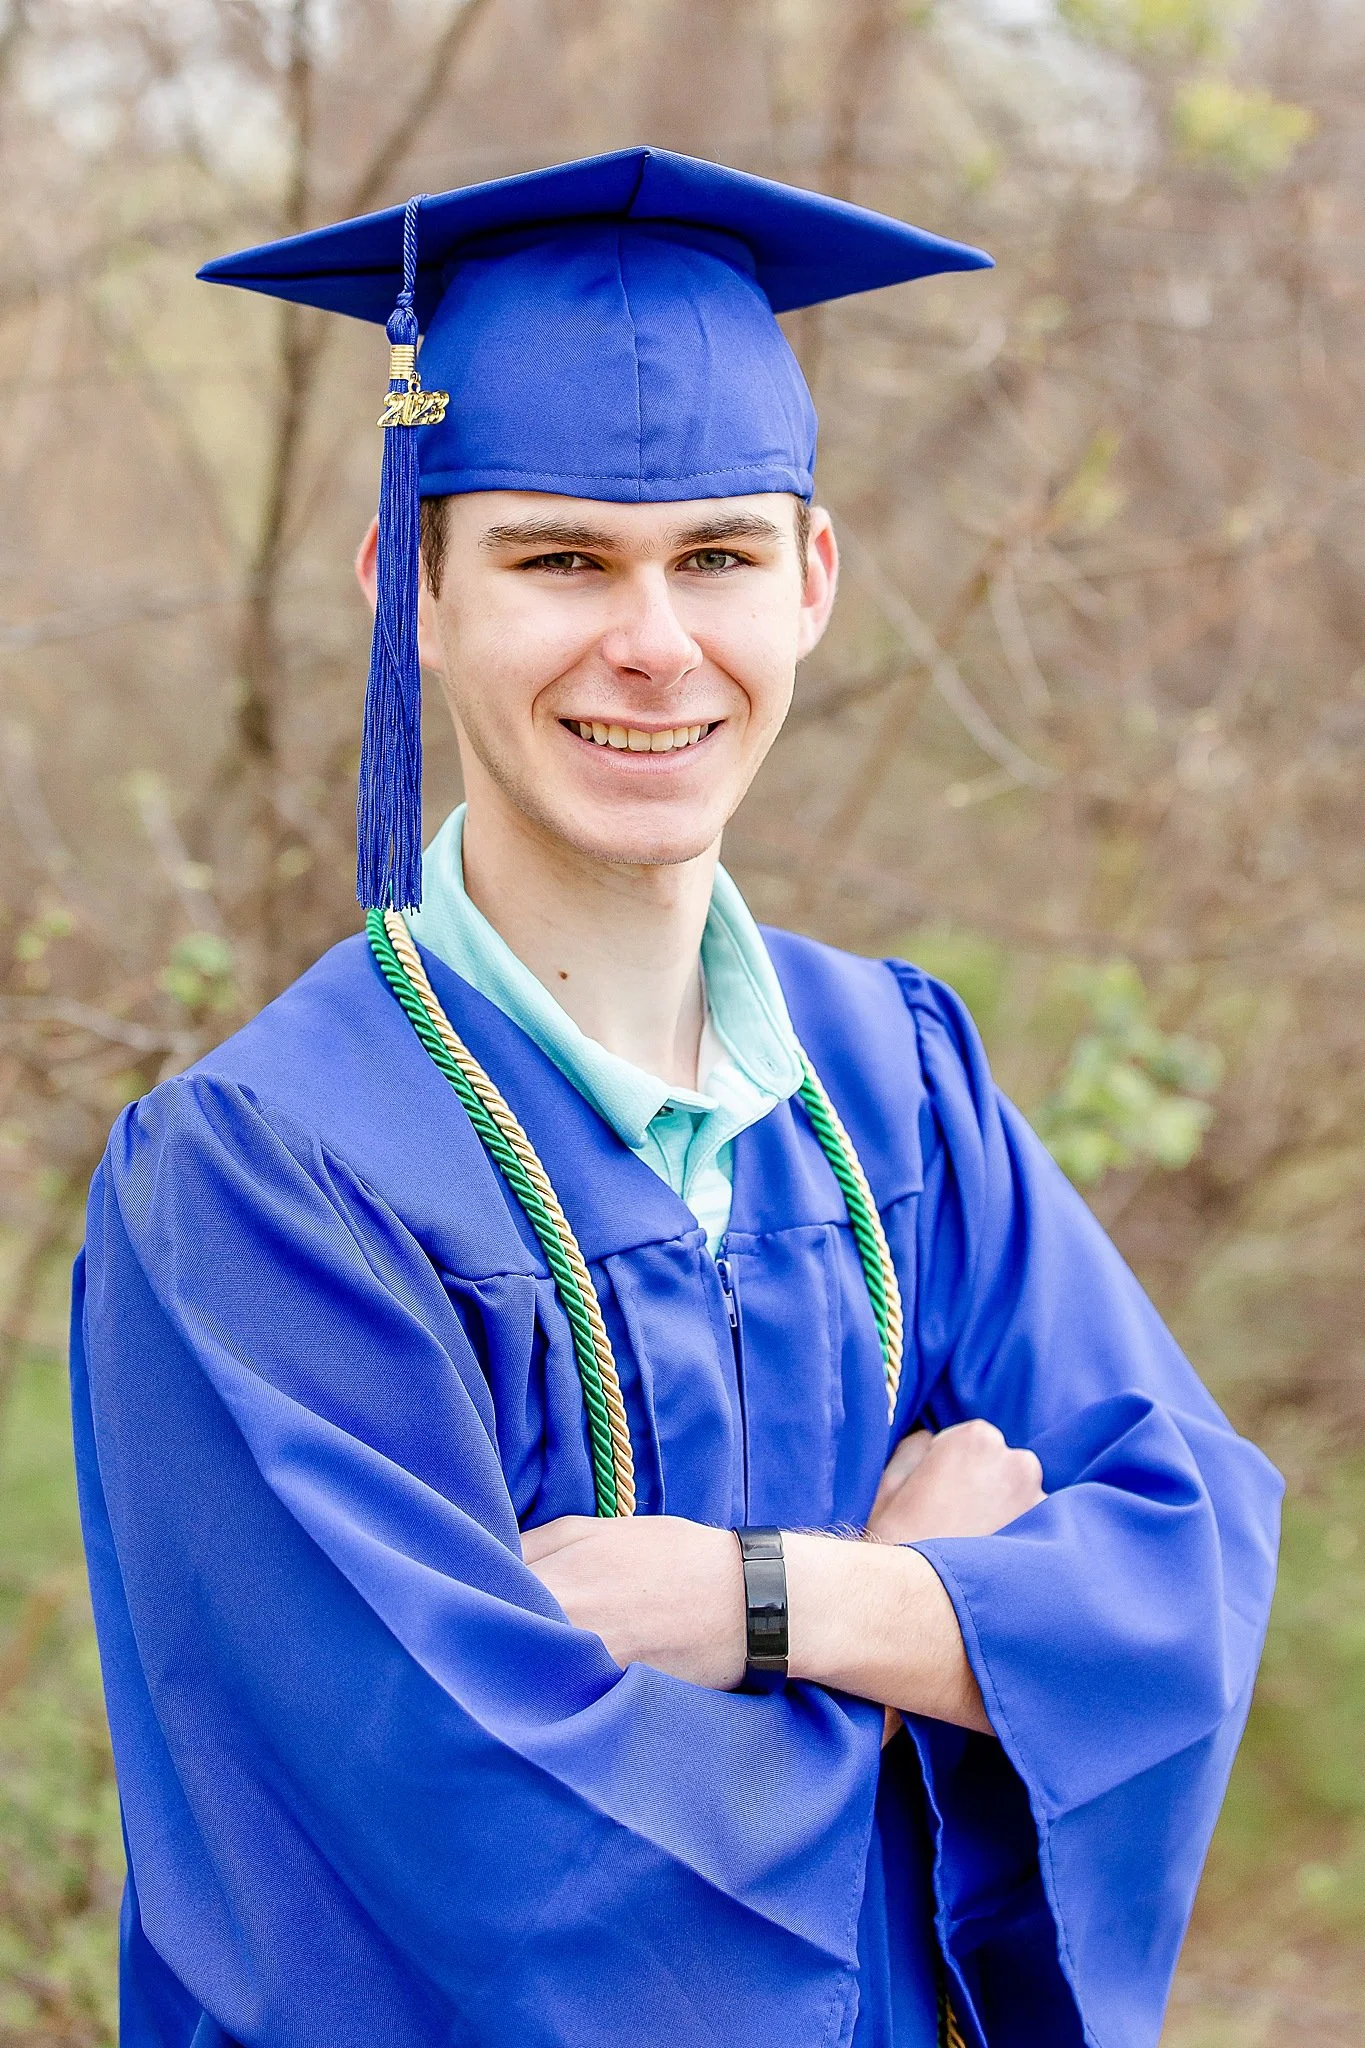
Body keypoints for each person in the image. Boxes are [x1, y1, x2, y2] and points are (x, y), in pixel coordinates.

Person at [71, 148, 1281, 2048]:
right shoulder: (267, 1182)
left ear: (808, 582)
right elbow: (489, 1874)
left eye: (715, 553)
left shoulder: (899, 1087)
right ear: (418, 589)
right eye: (562, 560)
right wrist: (957, 1627)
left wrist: (784, 1604)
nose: (654, 641)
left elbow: (1187, 1565)